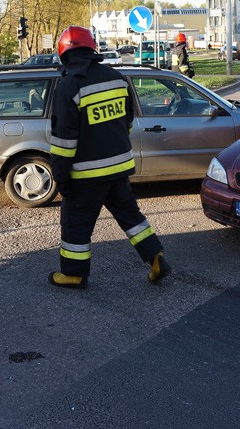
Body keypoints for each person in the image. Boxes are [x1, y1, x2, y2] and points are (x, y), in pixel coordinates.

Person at [48, 25, 170, 289]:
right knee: (131, 216)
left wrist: (61, 176)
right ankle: (155, 256)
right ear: (92, 48)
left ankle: (73, 274)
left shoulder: (69, 85)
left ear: (64, 54)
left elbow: (64, 139)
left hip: (86, 174)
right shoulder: (116, 77)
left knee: (76, 223)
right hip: (119, 168)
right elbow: (127, 121)